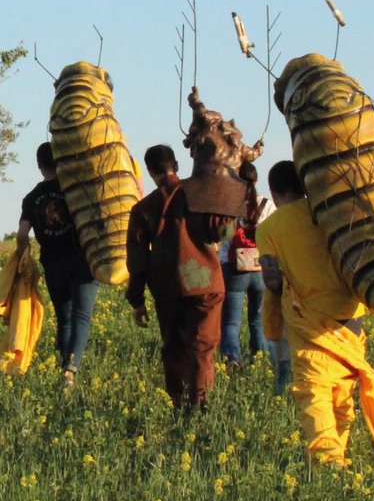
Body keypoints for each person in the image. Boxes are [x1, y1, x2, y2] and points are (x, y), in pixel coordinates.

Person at [256, 160, 374, 466]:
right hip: (350, 313)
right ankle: (338, 449)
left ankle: (329, 460)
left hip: (309, 320)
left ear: (275, 193)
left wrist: (280, 298)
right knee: (343, 390)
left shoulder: (269, 228)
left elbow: (272, 280)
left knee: (314, 390)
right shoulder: (330, 215)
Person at [125, 143, 242, 410]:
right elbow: (221, 233)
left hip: (168, 287)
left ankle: (179, 405)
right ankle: (201, 405)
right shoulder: (198, 194)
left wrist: (136, 300)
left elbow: (137, 259)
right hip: (206, 286)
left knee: (174, 347)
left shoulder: (143, 209)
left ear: (150, 171)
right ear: (175, 166)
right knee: (201, 347)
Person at [16, 142, 99, 391]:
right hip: (81, 261)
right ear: (61, 161)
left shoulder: (31, 198)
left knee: (64, 320)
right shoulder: (74, 189)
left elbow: (22, 234)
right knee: (81, 317)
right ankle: (70, 370)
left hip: (52, 264)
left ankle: (63, 366)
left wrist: (25, 258)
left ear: (40, 165)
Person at [218, 161, 273, 371]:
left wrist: (224, 261)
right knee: (258, 321)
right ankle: (260, 361)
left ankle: (232, 360)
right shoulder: (267, 205)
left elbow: (224, 241)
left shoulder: (229, 206)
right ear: (256, 180)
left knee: (231, 322)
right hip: (261, 269)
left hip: (235, 271)